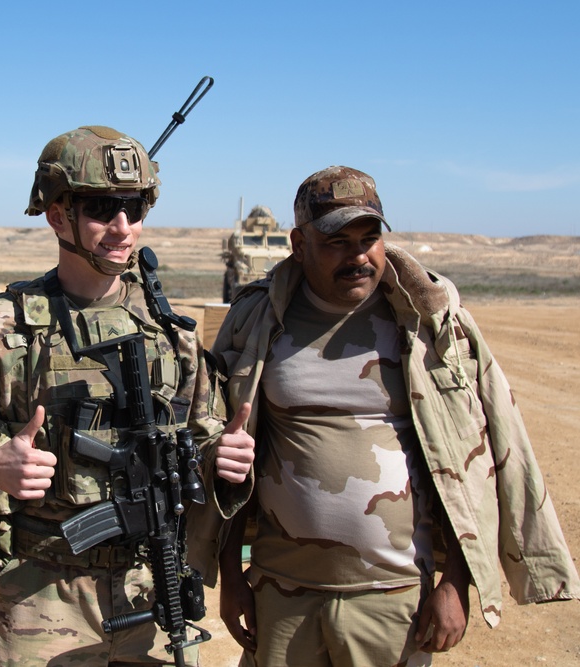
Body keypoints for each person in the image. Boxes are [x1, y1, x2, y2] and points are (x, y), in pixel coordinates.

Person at [209, 165, 580, 666]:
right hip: (281, 592)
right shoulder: (257, 321)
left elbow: (474, 457)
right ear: (299, 244)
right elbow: (229, 451)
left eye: (369, 238)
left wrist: (456, 583)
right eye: (337, 242)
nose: (358, 255)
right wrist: (232, 574)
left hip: (396, 597)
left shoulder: (430, 324)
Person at [0, 125, 255, 666]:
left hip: (151, 588)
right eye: (103, 208)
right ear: (58, 215)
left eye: (135, 207)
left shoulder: (172, 334)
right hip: (41, 595)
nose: (122, 228)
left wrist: (221, 457)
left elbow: (198, 443)